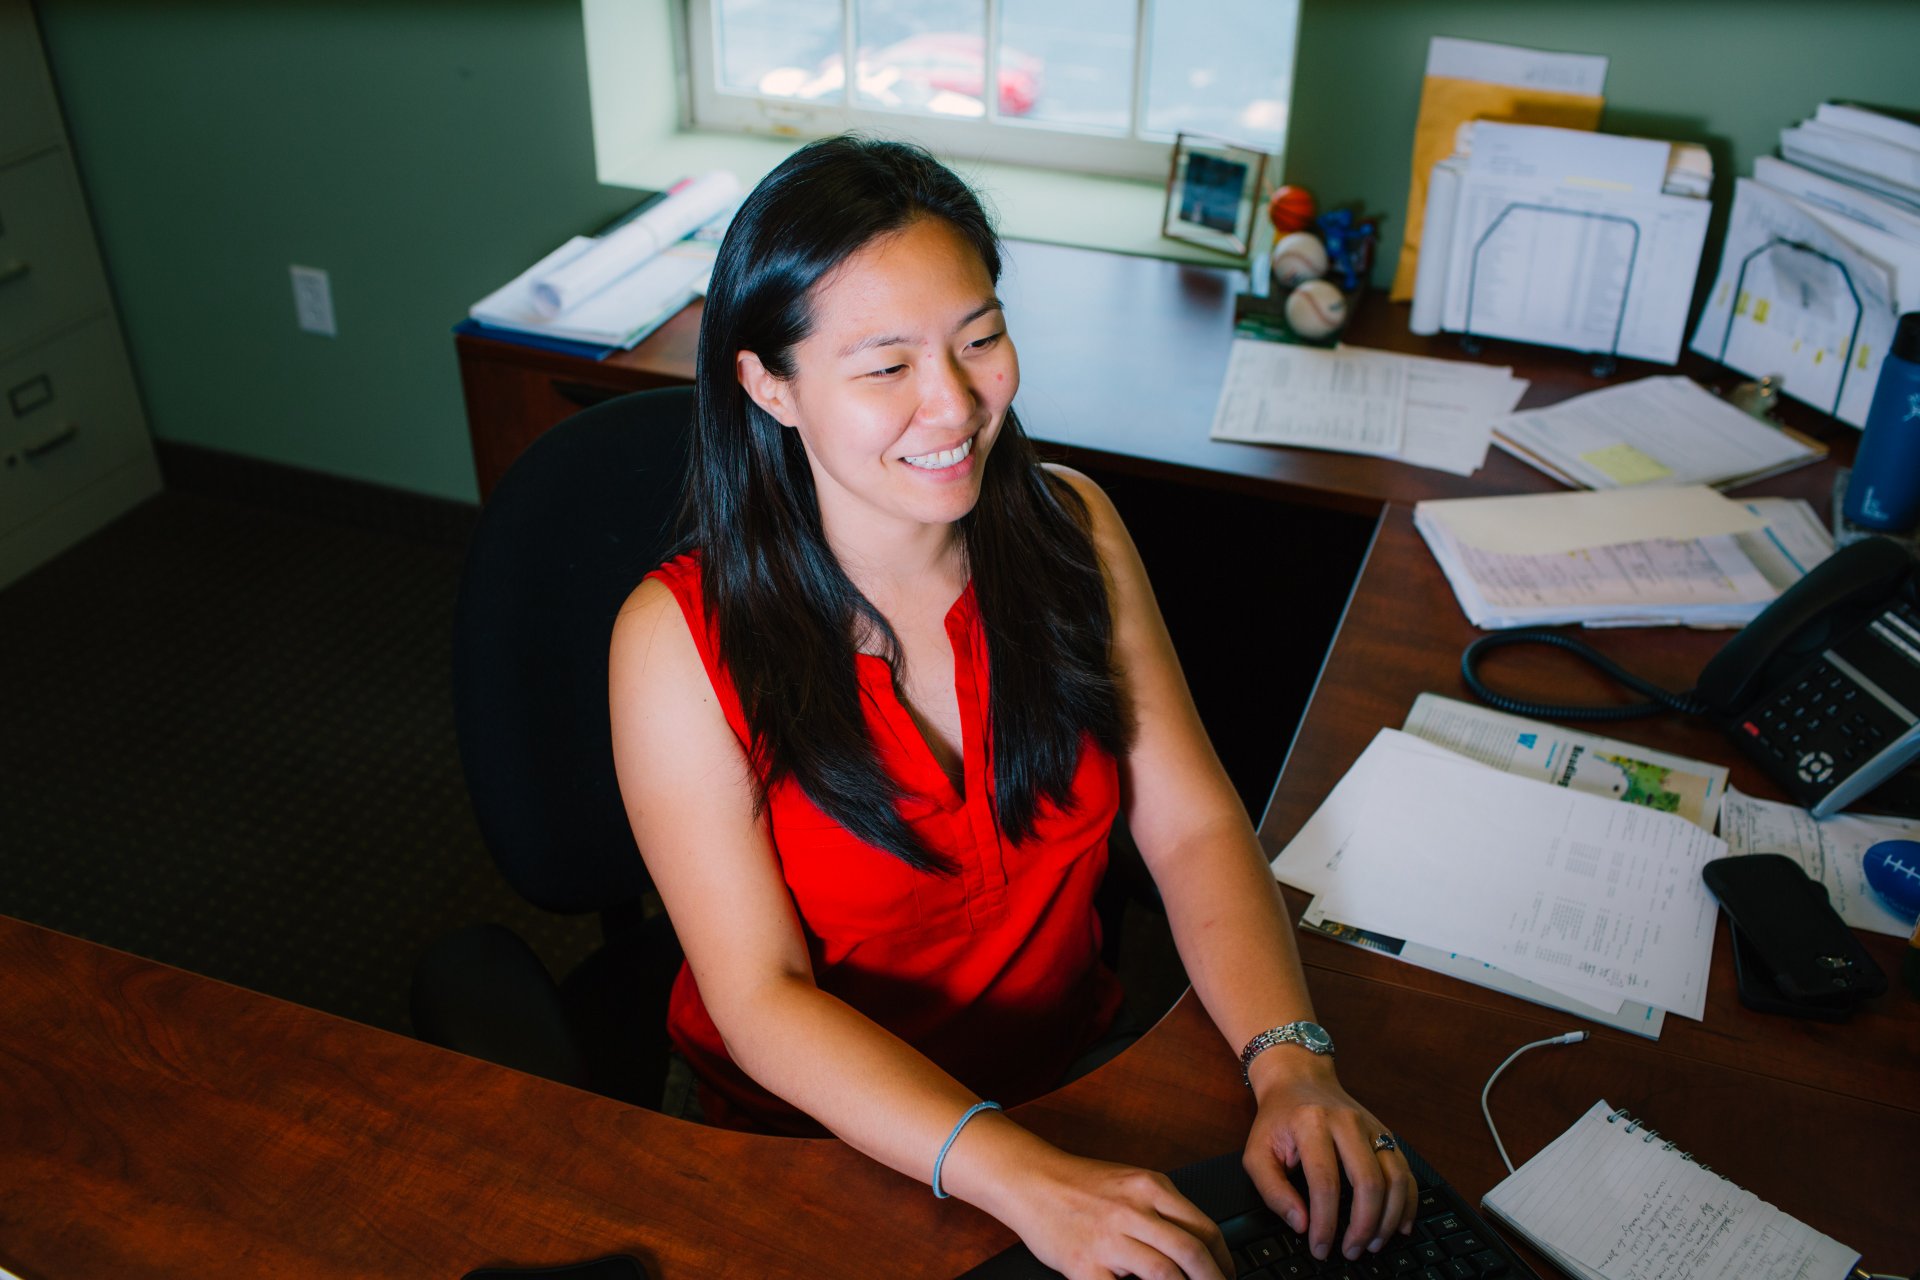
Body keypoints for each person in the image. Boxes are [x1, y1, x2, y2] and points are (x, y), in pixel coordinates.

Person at [608, 135, 1413, 1278]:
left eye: (979, 338)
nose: (954, 402)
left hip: (1084, 1088)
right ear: (768, 383)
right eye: (886, 366)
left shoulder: (1069, 527)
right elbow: (760, 998)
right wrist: (1020, 1175)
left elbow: (1188, 825)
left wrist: (1291, 1060)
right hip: (824, 1149)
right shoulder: (676, 640)